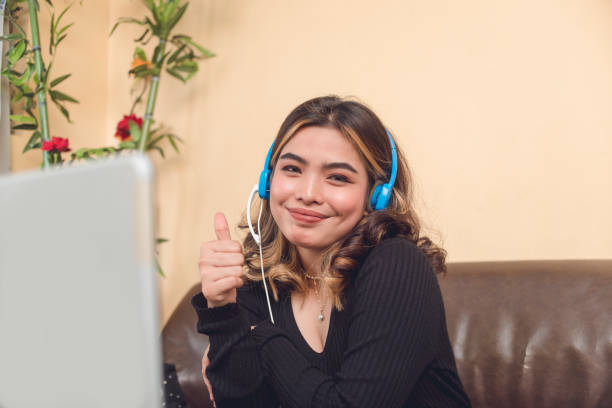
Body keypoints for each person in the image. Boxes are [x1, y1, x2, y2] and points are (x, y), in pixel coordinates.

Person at [191, 95, 472, 407]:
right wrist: (223, 313)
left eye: (338, 177)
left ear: (376, 196)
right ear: (268, 181)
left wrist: (258, 335)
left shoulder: (397, 265)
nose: (308, 194)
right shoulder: (258, 287)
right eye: (292, 169)